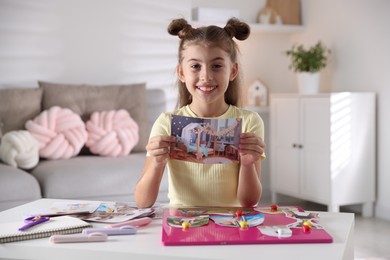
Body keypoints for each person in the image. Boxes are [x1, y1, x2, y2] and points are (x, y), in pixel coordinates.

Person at [135, 18, 266, 208]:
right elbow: (142, 202)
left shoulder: (248, 122)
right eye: (195, 66)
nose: (206, 76)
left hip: (232, 224)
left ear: (233, 71)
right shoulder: (166, 123)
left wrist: (247, 164)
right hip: (182, 225)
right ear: (181, 73)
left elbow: (249, 202)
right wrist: (156, 162)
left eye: (217, 66)